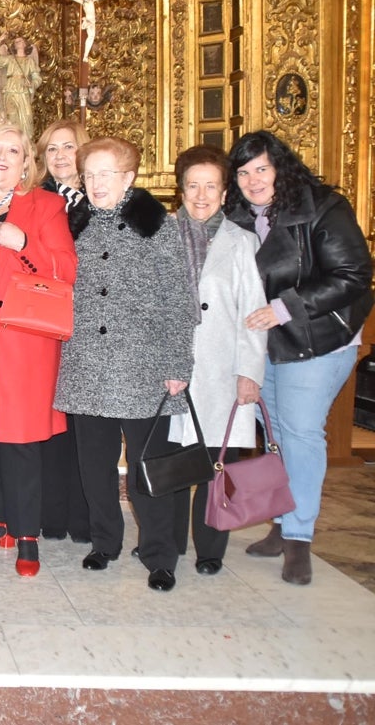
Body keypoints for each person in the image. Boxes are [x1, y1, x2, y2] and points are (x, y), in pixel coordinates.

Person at [224, 130, 373, 585]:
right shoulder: (238, 216)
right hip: (263, 343)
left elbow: (353, 274)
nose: (253, 181)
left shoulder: (323, 206)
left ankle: (300, 539)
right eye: (244, 173)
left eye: (261, 169)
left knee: (302, 433)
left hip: (318, 338)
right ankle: (282, 525)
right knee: (277, 434)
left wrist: (284, 307)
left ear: (281, 167)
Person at [53, 136, 196, 592]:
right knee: (94, 466)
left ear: (129, 178)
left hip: (144, 366)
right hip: (87, 365)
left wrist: (178, 362)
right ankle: (104, 543)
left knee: (145, 470)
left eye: (105, 174)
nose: (95, 184)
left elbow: (178, 297)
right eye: (89, 174)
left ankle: (159, 554)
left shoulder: (154, 222)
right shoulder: (74, 221)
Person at [0, 125, 76, 577]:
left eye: (13, 150)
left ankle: (27, 534)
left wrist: (24, 243)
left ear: (27, 162)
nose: (2, 157)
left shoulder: (45, 205)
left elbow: (67, 269)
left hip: (23, 342)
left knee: (22, 440)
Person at [166, 145, 267, 575]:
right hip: (169, 369)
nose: (201, 195)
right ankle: (164, 544)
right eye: (193, 185)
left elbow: (254, 311)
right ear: (181, 190)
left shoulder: (242, 242)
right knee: (170, 463)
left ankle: (210, 550)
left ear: (225, 193)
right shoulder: (161, 233)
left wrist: (250, 373)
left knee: (216, 465)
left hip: (223, 370)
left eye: (211, 186)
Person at [36, 119, 92, 543]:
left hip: (92, 326)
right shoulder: (36, 200)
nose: (59, 156)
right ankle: (53, 514)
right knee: (54, 421)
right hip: (49, 321)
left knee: (86, 428)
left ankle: (85, 516)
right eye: (51, 149)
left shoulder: (102, 199)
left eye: (68, 147)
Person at [0, 35, 42, 139]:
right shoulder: (10, 59)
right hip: (11, 91)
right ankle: (12, 140)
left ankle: (26, 143)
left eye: (20, 41)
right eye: (15, 41)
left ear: (24, 44)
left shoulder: (29, 61)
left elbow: (37, 77)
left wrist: (32, 84)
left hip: (23, 92)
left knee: (26, 118)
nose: (17, 42)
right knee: (11, 118)